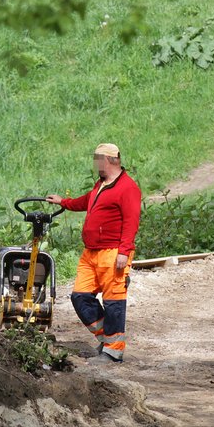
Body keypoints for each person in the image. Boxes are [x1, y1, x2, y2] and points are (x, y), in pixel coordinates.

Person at [46, 143, 142, 365]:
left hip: (113, 252)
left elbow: (131, 222)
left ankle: (113, 351)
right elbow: (87, 201)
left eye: (97, 159)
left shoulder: (128, 188)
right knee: (80, 297)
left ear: (109, 160)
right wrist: (64, 202)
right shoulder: (102, 184)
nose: (95, 163)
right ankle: (107, 338)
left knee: (113, 301)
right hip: (91, 252)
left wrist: (123, 252)